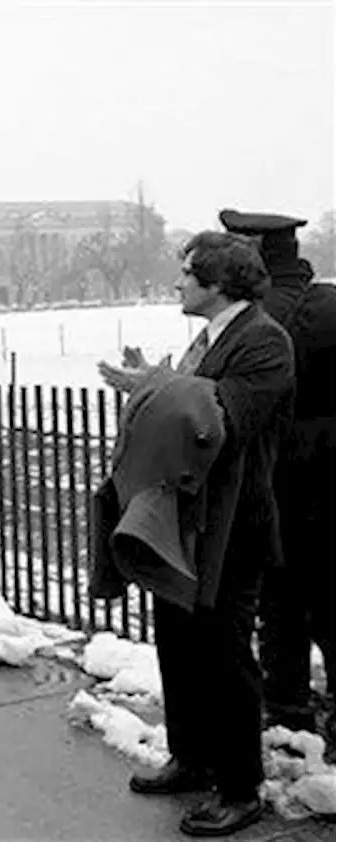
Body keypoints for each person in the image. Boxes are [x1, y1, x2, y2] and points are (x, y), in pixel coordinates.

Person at [97, 232, 293, 838]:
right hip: (185, 523)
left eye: (187, 274)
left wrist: (147, 386)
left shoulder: (264, 341)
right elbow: (186, 405)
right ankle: (190, 756)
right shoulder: (206, 340)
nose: (178, 283)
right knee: (177, 644)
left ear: (218, 282)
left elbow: (223, 415)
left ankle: (240, 787)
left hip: (234, 529)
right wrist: (154, 382)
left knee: (225, 654)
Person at [220, 210, 337, 743]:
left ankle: (288, 708)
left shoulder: (255, 322)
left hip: (275, 482)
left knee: (280, 600)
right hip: (328, 483)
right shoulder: (329, 305)